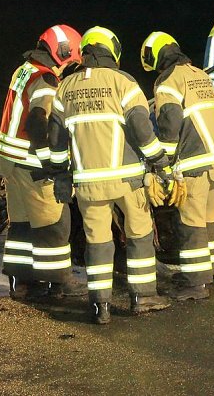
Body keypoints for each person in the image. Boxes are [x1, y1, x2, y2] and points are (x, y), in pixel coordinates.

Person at [49, 26, 172, 324]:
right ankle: (143, 297)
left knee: (98, 242)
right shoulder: (123, 82)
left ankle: (100, 307)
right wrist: (159, 161)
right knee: (139, 234)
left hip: (88, 185)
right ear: (112, 49)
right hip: (127, 180)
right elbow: (143, 128)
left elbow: (55, 139)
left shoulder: (64, 88)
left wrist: (60, 174)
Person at [0, 25, 85, 301]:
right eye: (72, 58)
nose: (71, 65)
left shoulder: (24, 70)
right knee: (54, 221)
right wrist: (50, 165)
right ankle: (59, 282)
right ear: (63, 51)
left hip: (11, 161)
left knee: (21, 224)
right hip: (32, 163)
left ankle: (23, 284)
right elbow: (37, 121)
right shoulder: (46, 79)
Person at [141, 31, 214, 301]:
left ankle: (194, 285)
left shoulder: (167, 81)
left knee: (191, 224)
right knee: (207, 223)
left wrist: (163, 165)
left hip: (194, 164)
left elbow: (169, 125)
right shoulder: (200, 74)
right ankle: (205, 275)